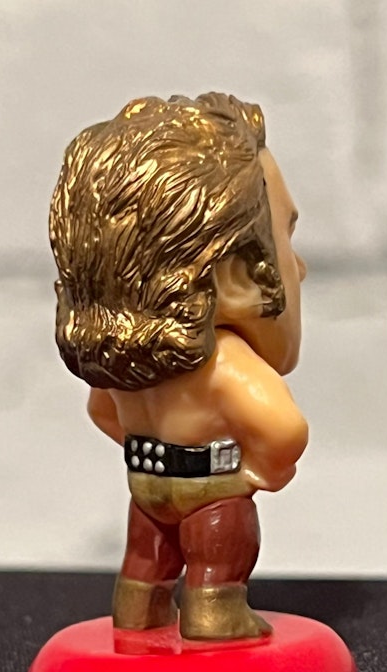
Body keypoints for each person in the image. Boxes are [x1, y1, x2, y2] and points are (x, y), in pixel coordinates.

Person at [49, 92, 308, 640]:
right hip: (210, 491)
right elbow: (284, 428)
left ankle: (137, 612)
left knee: (145, 561)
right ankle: (217, 615)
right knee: (219, 558)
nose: (301, 268)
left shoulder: (125, 362)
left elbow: (101, 412)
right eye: (286, 237)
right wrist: (259, 473)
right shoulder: (225, 364)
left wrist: (146, 445)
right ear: (233, 276)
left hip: (146, 485)